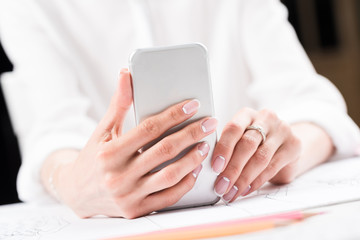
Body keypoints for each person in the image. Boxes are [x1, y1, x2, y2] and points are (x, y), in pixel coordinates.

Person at [0, 0, 359, 219]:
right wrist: (70, 181)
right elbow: (53, 130)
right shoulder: (27, 5)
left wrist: (283, 153)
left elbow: (316, 107)